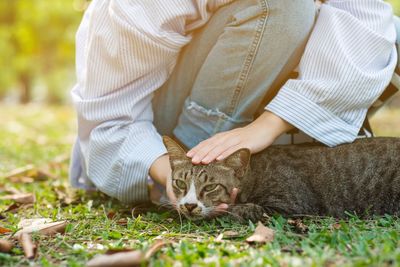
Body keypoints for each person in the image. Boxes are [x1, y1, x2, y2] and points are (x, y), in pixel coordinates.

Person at [69, 0, 398, 206]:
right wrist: (171, 170)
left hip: (259, 116)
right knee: (281, 5)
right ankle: (203, 166)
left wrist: (271, 123)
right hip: (162, 136)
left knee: (386, 32)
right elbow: (110, 118)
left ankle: (293, 140)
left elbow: (365, 22)